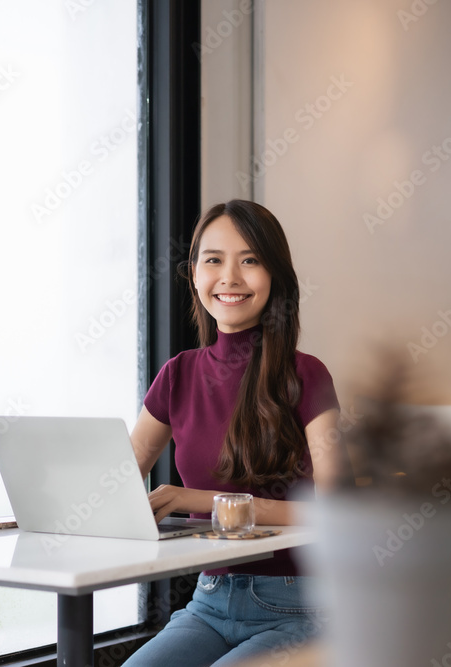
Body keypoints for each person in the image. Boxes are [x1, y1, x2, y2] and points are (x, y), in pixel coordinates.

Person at [124, 200, 342, 666]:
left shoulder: (307, 377)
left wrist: (200, 501)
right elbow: (114, 482)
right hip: (208, 601)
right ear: (195, 275)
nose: (230, 277)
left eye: (250, 260)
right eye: (213, 260)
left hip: (298, 605)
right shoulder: (178, 374)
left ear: (275, 276)